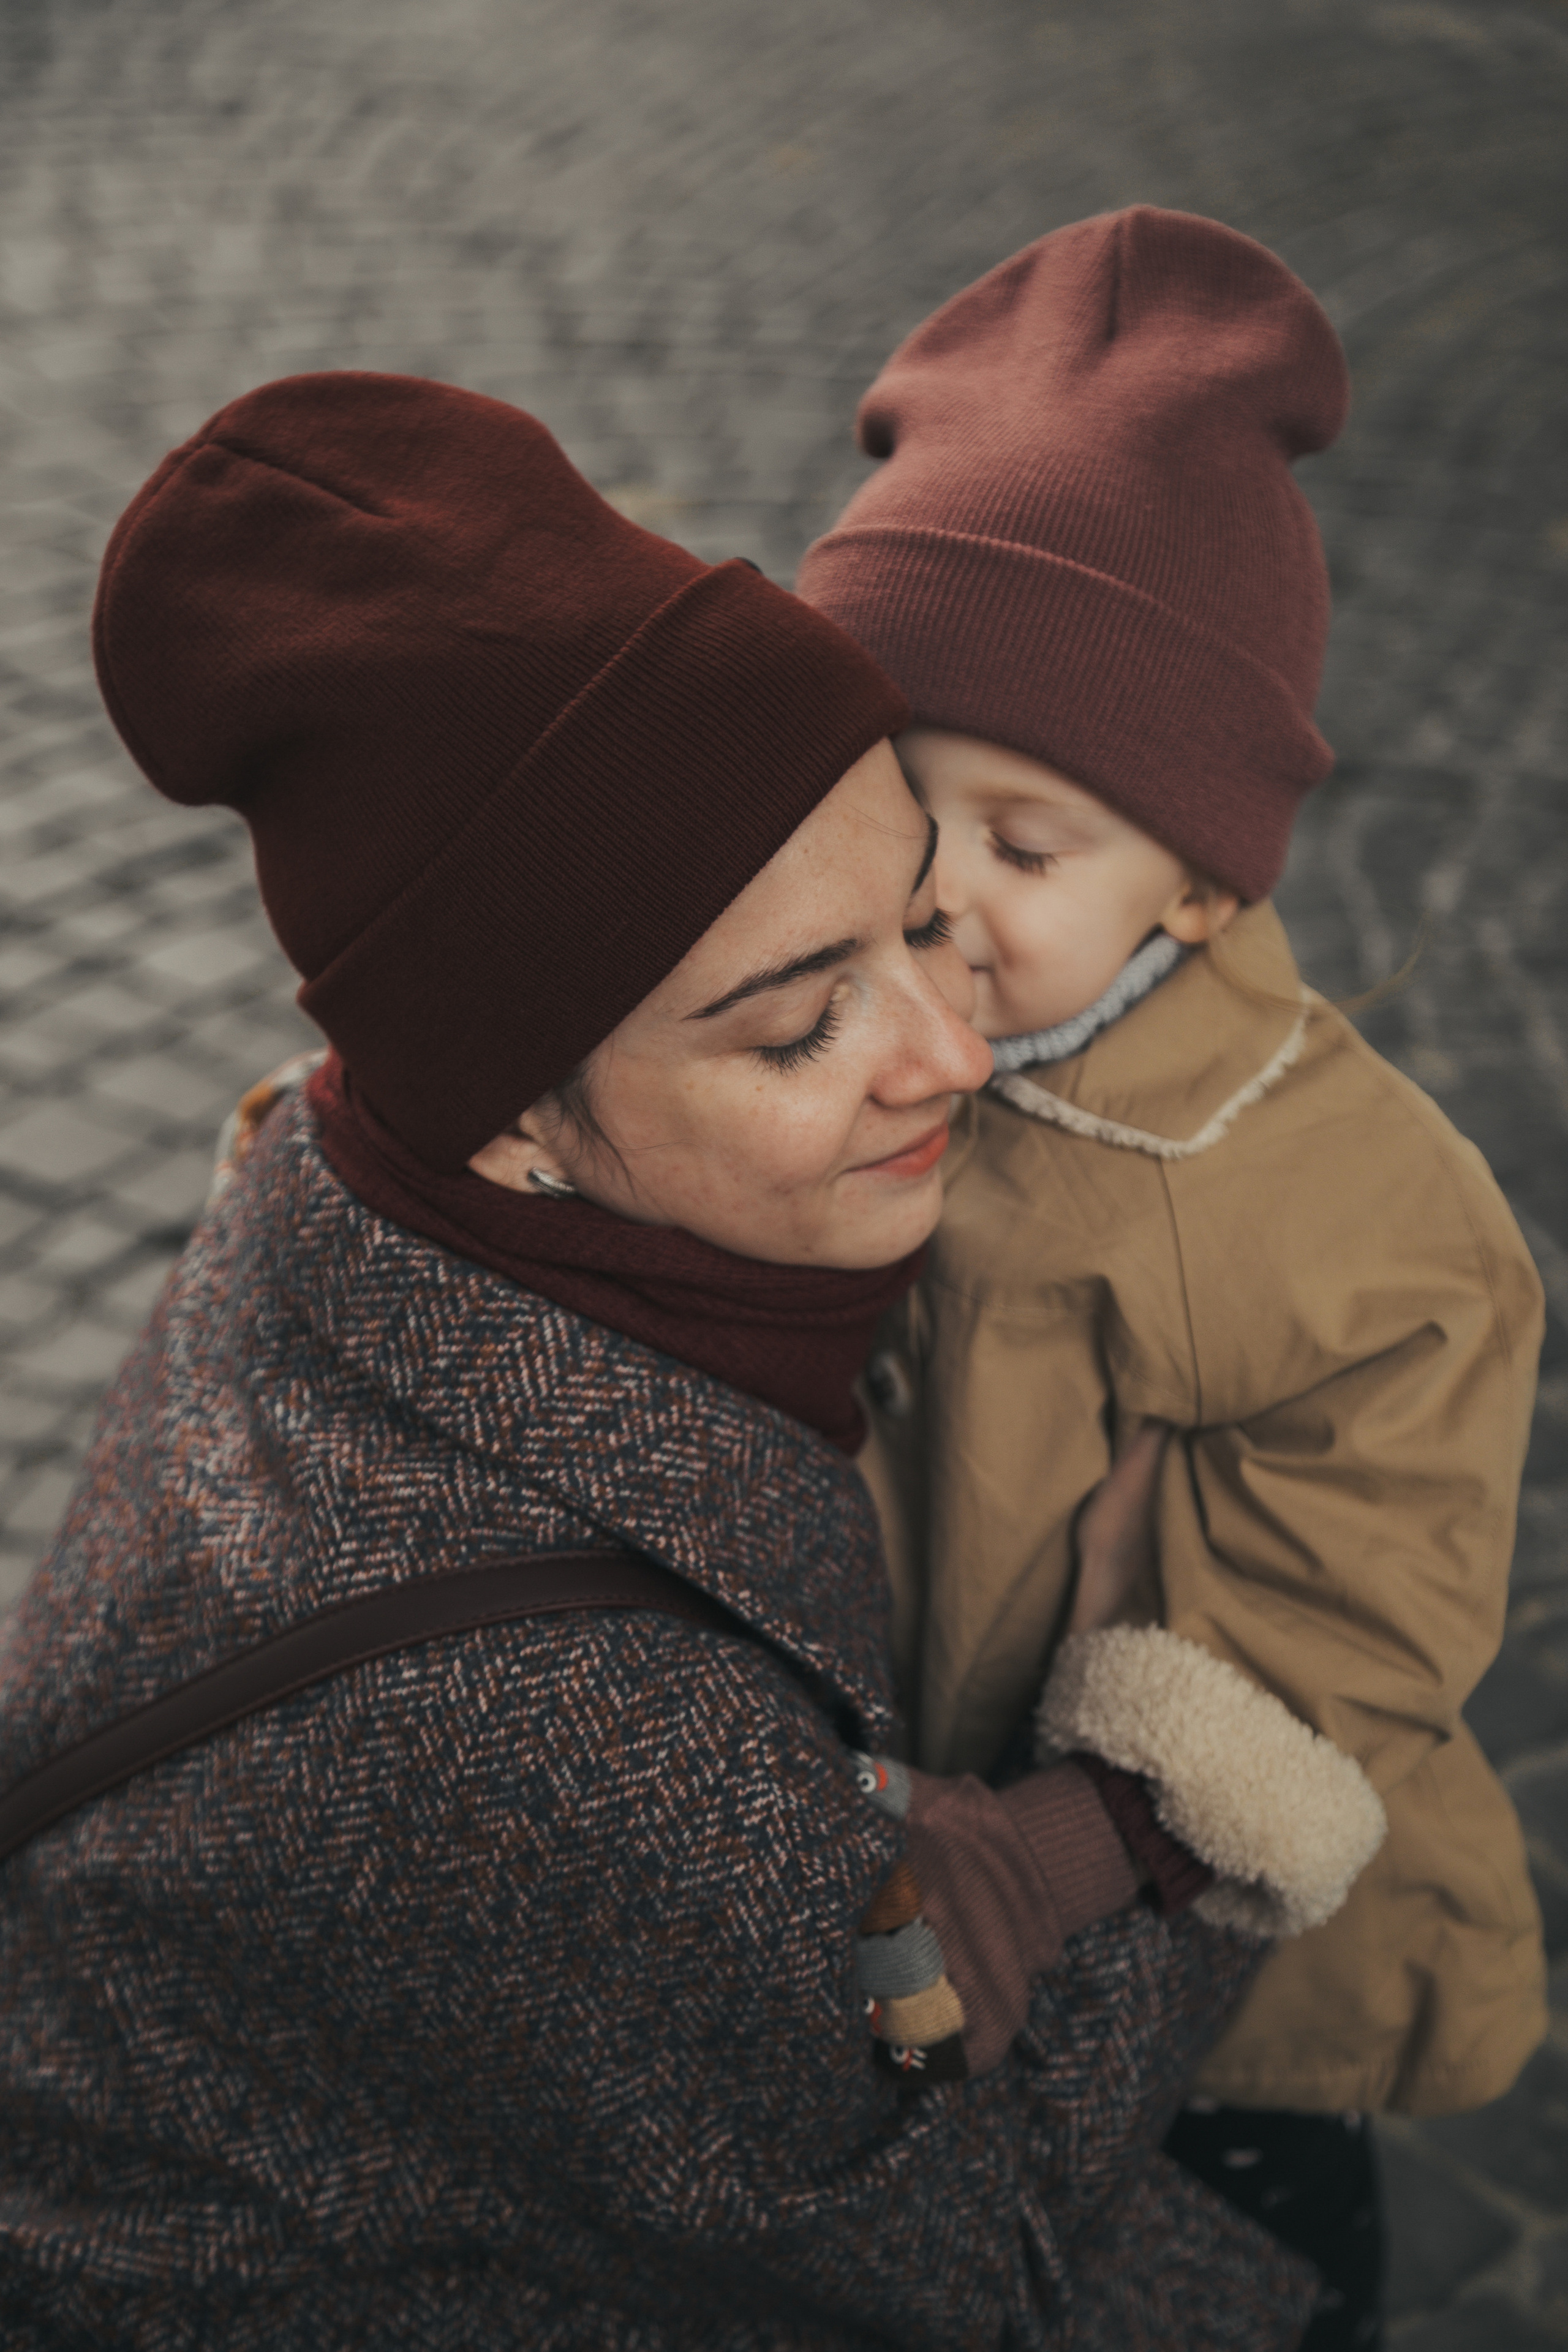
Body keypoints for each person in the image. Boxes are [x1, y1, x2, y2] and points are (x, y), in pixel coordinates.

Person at [0, 371, 1382, 2349]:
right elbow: (962, 2268)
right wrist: (1144, 1806)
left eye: (922, 917)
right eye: (798, 1024)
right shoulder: (587, 1741)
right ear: (515, 1121)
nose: (953, 1051)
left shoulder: (336, 1187)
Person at [796, 206, 1547, 2351]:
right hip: (909, 1906)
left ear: (1206, 886)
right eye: (900, 809)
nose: (942, 895)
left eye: (1027, 848)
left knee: (1237, 2275)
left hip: (1207, 1971)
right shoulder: (849, 1022)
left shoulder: (1330, 1198)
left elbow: (1372, 1576)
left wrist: (1089, 1827)